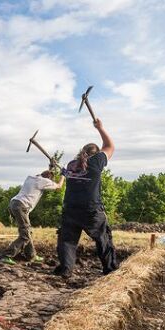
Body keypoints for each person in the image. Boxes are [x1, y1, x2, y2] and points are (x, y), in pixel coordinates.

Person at [53, 117, 118, 277]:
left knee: (67, 241)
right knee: (103, 238)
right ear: (96, 154)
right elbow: (110, 146)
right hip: (91, 209)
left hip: (70, 208)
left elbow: (66, 174)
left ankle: (65, 270)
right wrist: (100, 128)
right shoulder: (96, 162)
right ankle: (110, 270)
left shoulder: (70, 164)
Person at [0, 169, 64, 265]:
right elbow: (59, 187)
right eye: (51, 180)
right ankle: (6, 255)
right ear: (49, 179)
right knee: (25, 234)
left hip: (15, 204)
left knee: (28, 232)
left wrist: (51, 167)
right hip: (21, 207)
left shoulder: (31, 178)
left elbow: (47, 175)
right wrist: (63, 176)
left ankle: (31, 255)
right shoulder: (44, 181)